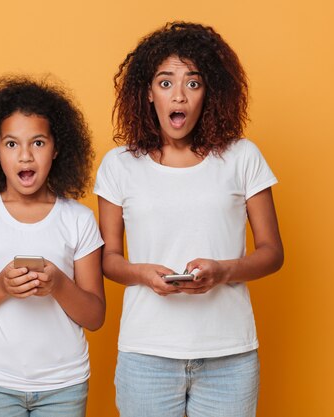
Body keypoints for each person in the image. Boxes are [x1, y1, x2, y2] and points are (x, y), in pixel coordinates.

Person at [94, 22, 284, 417]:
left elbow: (272, 252)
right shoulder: (119, 165)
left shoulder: (242, 156)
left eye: (192, 83)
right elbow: (109, 259)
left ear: (209, 92)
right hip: (146, 355)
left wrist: (223, 271)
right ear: (147, 92)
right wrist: (143, 273)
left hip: (229, 356)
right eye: (166, 83)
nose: (178, 95)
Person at [0, 76, 105, 417]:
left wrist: (59, 284)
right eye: (12, 144)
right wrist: (1, 285)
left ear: (57, 148)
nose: (26, 156)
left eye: (39, 143)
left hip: (64, 385)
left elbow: (95, 317)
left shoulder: (78, 219)